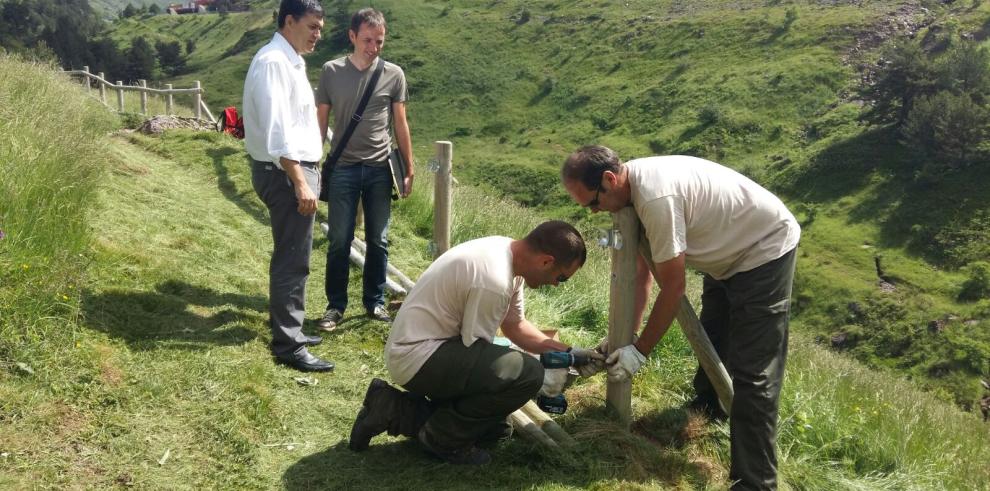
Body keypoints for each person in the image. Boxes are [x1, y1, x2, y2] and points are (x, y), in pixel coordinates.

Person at [561, 146, 800, 490]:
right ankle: (708, 408)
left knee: (754, 372)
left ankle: (756, 481)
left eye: (592, 203)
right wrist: (623, 336)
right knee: (715, 333)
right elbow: (642, 272)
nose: (594, 211)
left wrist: (639, 351)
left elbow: (672, 289)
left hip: (763, 248)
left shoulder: (657, 200)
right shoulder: (632, 191)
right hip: (726, 249)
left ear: (609, 180)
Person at [347, 221, 605, 464]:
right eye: (562, 278)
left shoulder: (507, 255)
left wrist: (571, 354)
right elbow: (479, 350)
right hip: (419, 357)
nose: (557, 285)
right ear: (546, 261)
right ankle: (441, 440)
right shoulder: (493, 279)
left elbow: (516, 326)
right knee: (528, 374)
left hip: (425, 349)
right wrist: (542, 373)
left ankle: (391, 409)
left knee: (497, 431)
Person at [242, 0, 332, 372]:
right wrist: (300, 182)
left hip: (291, 169)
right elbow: (279, 133)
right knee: (293, 259)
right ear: (289, 21)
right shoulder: (274, 63)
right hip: (285, 172)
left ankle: (291, 328)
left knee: (295, 254)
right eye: (312, 26)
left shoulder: (290, 59)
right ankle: (288, 345)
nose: (317, 34)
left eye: (321, 29)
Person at [315, 7, 415, 331]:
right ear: (352, 36)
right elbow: (321, 122)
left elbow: (401, 123)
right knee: (339, 239)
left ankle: (375, 303)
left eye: (380, 41)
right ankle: (335, 306)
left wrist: (408, 168)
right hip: (342, 167)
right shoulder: (331, 71)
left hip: (379, 169)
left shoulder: (394, 74)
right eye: (368, 40)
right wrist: (311, 164)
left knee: (379, 239)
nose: (373, 47)